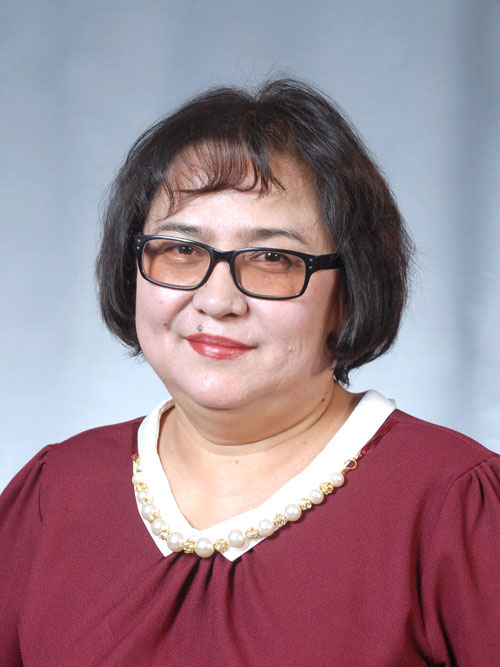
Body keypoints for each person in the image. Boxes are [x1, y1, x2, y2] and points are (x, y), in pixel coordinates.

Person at [1, 78, 499, 667]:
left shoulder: (453, 507)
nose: (217, 301)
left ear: (349, 290)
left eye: (272, 258)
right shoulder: (55, 492)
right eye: (181, 249)